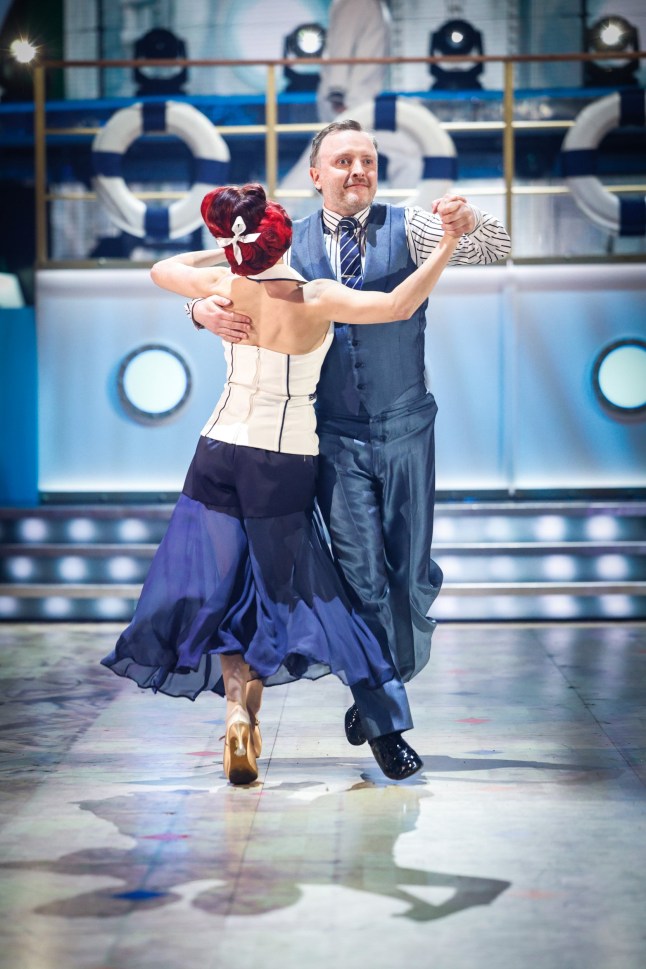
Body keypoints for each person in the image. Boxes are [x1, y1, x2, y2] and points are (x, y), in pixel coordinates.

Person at [101, 182, 459, 786]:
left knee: (224, 592)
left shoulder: (227, 286)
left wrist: (224, 260)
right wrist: (447, 245)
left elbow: (163, 268)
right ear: (284, 238)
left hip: (216, 454)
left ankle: (239, 712)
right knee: (317, 597)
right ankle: (383, 723)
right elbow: (399, 306)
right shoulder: (315, 295)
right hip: (282, 461)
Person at [186, 121, 512, 780]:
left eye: (367, 159)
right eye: (344, 160)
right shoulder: (287, 244)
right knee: (361, 583)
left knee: (412, 580)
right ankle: (386, 721)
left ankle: (386, 674)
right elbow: (216, 283)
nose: (358, 169)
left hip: (408, 428)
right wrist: (196, 315)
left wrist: (471, 219)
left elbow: (497, 249)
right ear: (316, 174)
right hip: (331, 438)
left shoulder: (412, 225)